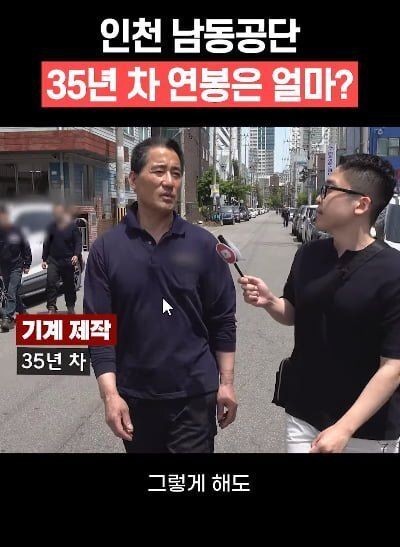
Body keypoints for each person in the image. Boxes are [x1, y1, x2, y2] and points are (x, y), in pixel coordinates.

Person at [84, 137, 237, 453]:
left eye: (176, 173)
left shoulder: (203, 245)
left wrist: (226, 384)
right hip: (135, 397)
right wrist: (110, 396)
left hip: (195, 395)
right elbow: (98, 331)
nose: (169, 181)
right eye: (158, 171)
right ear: (133, 180)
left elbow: (223, 319)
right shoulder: (106, 249)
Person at [239, 154, 400, 453]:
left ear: (361, 204)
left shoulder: (393, 271)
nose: (318, 197)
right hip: (304, 413)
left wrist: (344, 428)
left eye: (328, 189)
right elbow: (293, 312)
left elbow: (393, 367)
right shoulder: (309, 254)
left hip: (367, 430)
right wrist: (270, 301)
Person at [42, 203, 82, 314]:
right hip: (53, 260)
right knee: (51, 283)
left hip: (68, 260)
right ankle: (51, 307)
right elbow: (46, 243)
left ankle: (70, 306)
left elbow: (78, 242)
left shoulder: (72, 226)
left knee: (69, 285)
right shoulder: (51, 227)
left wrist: (76, 255)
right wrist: (44, 259)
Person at [0, 204, 32, 332]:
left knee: (11, 291)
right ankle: (23, 312)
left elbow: (26, 247)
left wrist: (27, 264)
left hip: (16, 266)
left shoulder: (17, 230)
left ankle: (7, 318)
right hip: (4, 267)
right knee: (11, 292)